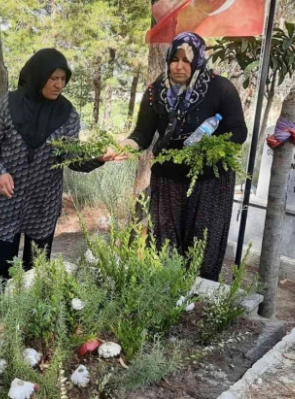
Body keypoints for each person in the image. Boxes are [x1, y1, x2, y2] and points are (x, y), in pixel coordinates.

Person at [111, 32, 248, 281]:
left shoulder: (221, 88)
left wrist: (209, 150)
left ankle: (197, 303)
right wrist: (127, 145)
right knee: (165, 247)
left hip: (209, 181)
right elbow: (142, 133)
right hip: (168, 180)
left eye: (187, 60)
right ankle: (167, 301)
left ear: (198, 61)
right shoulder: (156, 91)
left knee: (202, 247)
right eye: (174, 59)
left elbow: (238, 130)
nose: (179, 66)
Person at [0, 48, 110, 285]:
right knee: (1, 267)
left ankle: (31, 318)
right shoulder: (7, 105)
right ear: (39, 76)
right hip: (5, 199)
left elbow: (72, 158)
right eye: (53, 78)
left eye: (63, 79)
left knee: (37, 270)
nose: (59, 85)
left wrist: (99, 157)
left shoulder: (67, 114)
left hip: (43, 201)